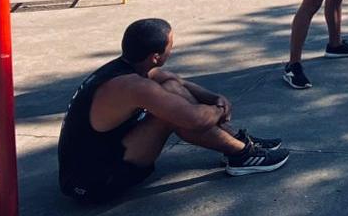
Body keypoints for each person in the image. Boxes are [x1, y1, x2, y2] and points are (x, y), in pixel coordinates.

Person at [58, 17, 288, 203]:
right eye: (171, 46)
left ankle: (236, 140)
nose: (173, 49)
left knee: (171, 88)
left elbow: (175, 81)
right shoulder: (132, 85)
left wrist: (214, 97)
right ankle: (242, 155)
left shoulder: (129, 67)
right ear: (155, 57)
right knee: (170, 116)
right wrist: (218, 109)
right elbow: (194, 120)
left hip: (102, 156)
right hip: (91, 182)